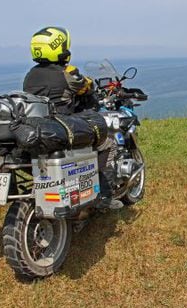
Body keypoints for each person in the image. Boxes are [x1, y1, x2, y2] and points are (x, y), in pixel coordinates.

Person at [23, 26, 123, 210]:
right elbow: (88, 86)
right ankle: (105, 197)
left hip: (40, 128)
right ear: (59, 48)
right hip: (64, 127)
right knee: (108, 143)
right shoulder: (68, 73)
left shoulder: (30, 76)